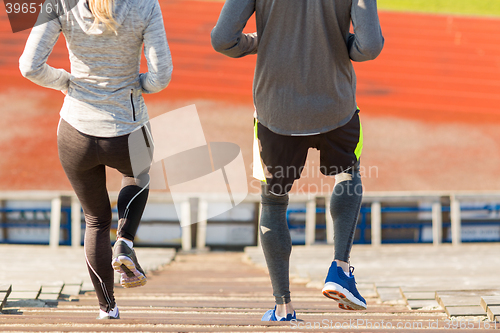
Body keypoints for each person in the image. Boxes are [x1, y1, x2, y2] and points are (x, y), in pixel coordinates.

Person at [211, 0, 383, 321]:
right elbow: (369, 46)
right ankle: (340, 269)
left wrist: (262, 40)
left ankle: (283, 307)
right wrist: (337, 42)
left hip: (276, 113)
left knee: (273, 203)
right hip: (336, 107)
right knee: (347, 175)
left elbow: (223, 38)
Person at [19, 0, 173, 319]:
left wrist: (67, 83)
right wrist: (135, 87)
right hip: (128, 128)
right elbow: (161, 78)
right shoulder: (145, 6)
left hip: (75, 132)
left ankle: (108, 308)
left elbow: (29, 66)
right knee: (139, 174)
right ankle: (126, 241)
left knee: (96, 221)